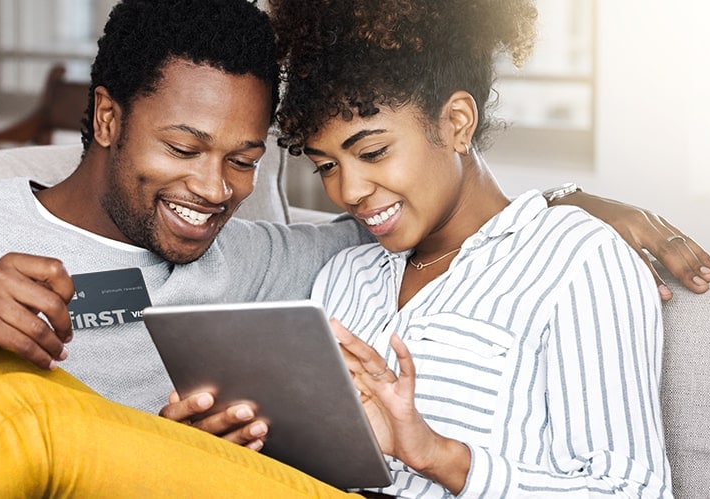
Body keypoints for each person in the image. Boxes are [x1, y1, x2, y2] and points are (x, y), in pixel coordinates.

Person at [0, 0, 710, 496]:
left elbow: (437, 212)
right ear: (109, 116)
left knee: (25, 408)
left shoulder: (263, 256)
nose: (213, 189)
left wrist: (572, 202)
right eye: (185, 147)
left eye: (245, 159)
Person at [270, 0, 672, 495]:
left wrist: (440, 456)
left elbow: (634, 489)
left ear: (457, 122)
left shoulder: (575, 258)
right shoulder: (345, 274)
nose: (348, 192)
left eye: (373, 152)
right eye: (326, 166)